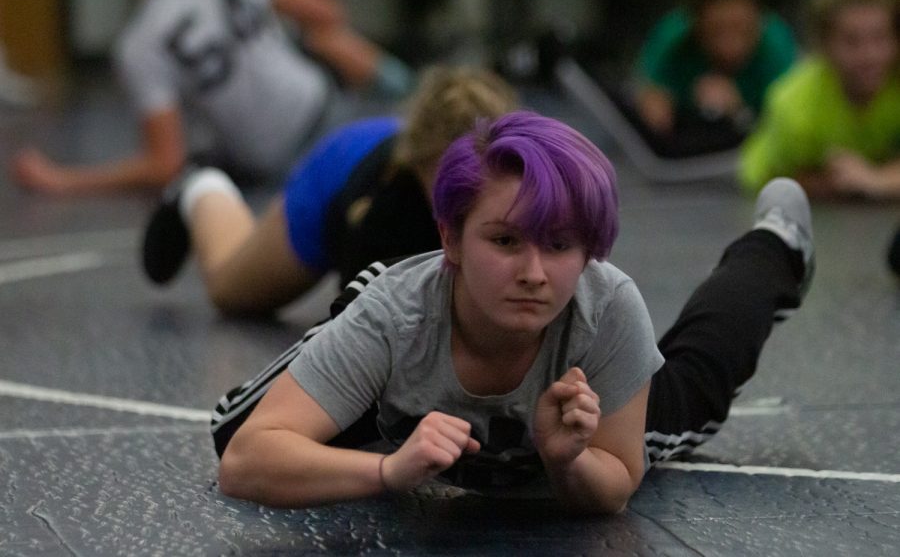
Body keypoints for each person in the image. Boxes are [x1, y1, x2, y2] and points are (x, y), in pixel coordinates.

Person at [210, 111, 815, 513]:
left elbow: (613, 493)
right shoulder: (395, 314)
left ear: (588, 252)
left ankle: (775, 247)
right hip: (403, 345)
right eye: (504, 241)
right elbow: (243, 458)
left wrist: (567, 459)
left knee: (699, 379)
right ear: (449, 239)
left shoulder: (605, 307)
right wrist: (388, 472)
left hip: (597, 408)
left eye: (559, 245)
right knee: (235, 424)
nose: (532, 272)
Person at [9, 0, 414, 195]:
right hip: (329, 114)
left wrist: (66, 180)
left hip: (268, 166)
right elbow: (327, 12)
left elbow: (163, 165)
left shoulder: (138, 46)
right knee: (332, 38)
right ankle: (413, 92)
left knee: (199, 165)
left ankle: (410, 100)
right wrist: (268, 34)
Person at [140, 66, 518, 314]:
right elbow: (352, 323)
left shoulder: (520, 179)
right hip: (336, 175)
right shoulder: (381, 209)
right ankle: (203, 188)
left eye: (476, 176)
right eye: (446, 178)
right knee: (230, 291)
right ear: (418, 161)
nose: (461, 193)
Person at [740, 0, 900, 199]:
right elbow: (774, 181)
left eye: (880, 37)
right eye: (851, 41)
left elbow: (869, 180)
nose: (869, 55)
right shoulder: (794, 106)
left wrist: (875, 178)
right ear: (823, 46)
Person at [631, 0, 797, 157]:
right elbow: (646, 91)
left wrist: (740, 112)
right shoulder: (673, 38)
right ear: (696, 25)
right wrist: (654, 110)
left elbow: (792, 129)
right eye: (717, 31)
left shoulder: (777, 45)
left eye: (741, 29)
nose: (730, 46)